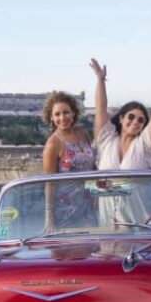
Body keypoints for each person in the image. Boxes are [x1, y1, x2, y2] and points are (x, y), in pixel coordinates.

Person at [88, 58, 151, 223]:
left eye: (141, 120)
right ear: (121, 118)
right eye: (131, 117)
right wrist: (100, 80)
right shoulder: (107, 139)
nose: (135, 122)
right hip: (111, 219)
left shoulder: (144, 145)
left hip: (144, 218)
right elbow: (100, 109)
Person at [41, 90, 95, 229]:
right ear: (51, 118)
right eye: (57, 114)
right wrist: (49, 218)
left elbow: (93, 167)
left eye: (66, 112)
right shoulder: (53, 144)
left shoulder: (83, 133)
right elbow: (49, 183)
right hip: (66, 209)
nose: (62, 117)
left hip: (88, 205)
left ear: (73, 113)